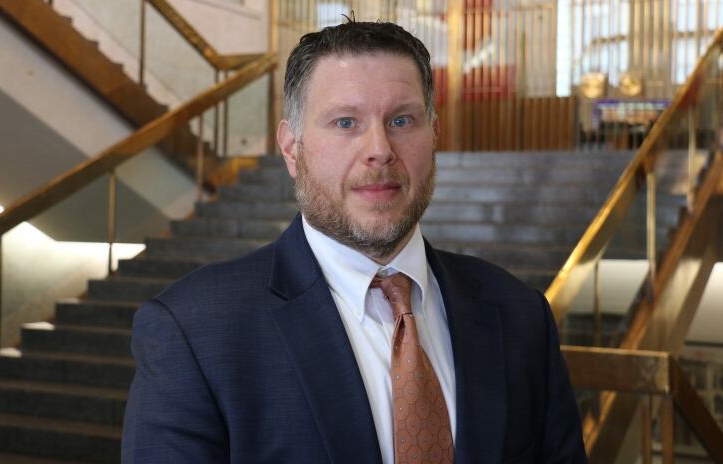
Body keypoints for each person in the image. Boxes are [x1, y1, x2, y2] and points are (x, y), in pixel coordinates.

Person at [122, 19, 587, 464]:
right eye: (346, 122)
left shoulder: (520, 314)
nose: (380, 149)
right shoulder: (194, 332)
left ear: (434, 135)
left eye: (402, 121)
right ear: (291, 148)